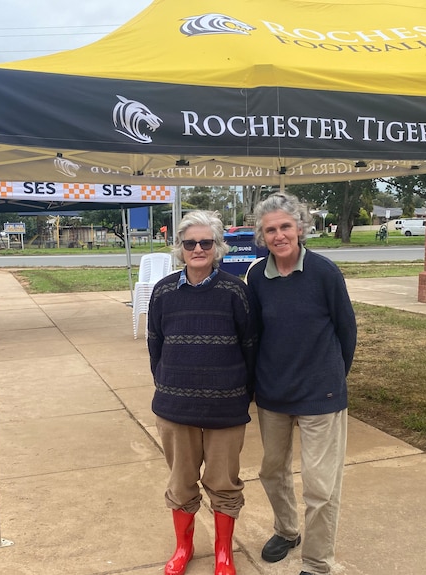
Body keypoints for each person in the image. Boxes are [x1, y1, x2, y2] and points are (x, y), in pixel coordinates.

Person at [246, 192, 357, 575]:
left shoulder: (325, 272)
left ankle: (316, 562)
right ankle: (287, 530)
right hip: (273, 394)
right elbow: (255, 334)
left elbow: (347, 331)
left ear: (300, 228)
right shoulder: (257, 276)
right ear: (262, 235)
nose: (279, 235)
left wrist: (331, 378)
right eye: (270, 229)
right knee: (272, 471)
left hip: (321, 395)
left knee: (320, 487)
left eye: (285, 227)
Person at [147, 210, 257, 575]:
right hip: (175, 407)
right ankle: (184, 548)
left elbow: (250, 345)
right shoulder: (162, 292)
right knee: (181, 483)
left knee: (224, 483)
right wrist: (167, 383)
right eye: (189, 243)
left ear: (217, 247)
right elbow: (155, 346)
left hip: (226, 408)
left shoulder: (235, 291)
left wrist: (242, 392)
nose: (197, 249)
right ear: (179, 248)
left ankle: (223, 554)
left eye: (205, 243)